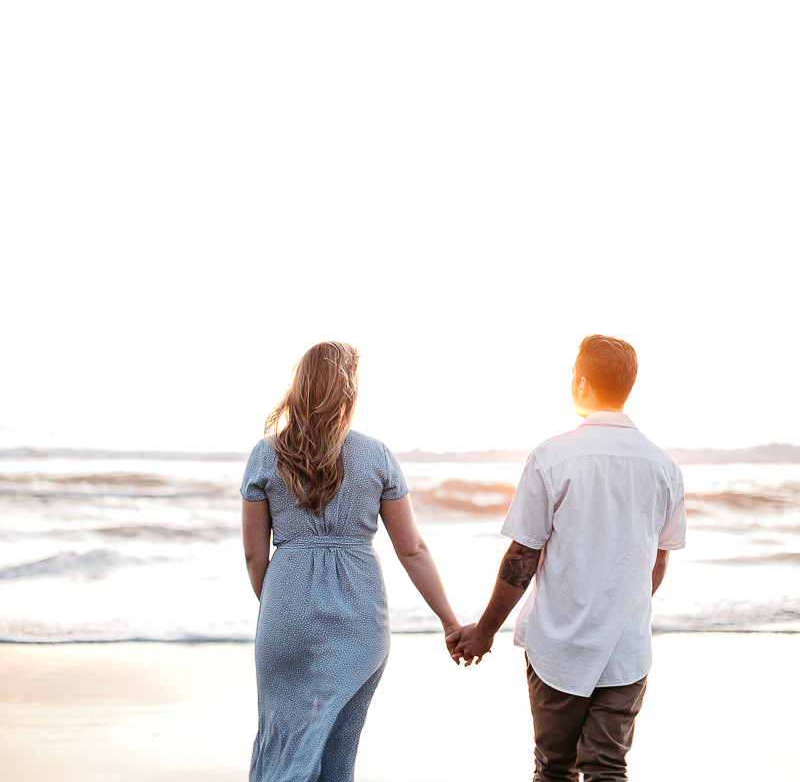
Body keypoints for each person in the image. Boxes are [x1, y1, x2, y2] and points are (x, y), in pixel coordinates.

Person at [448, 334, 686, 782]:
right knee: (608, 769)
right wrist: (620, 610)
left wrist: (483, 631)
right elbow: (657, 563)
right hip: (627, 651)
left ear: (579, 382)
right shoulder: (664, 466)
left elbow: (523, 555)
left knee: (554, 770)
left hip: (560, 648)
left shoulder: (551, 457)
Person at [240, 340, 461, 782]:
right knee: (340, 744)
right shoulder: (376, 455)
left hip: (286, 607)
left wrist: (283, 608)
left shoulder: (266, 453)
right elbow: (412, 549)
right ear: (348, 390)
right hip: (360, 611)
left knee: (283, 737)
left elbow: (253, 555)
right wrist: (450, 622)